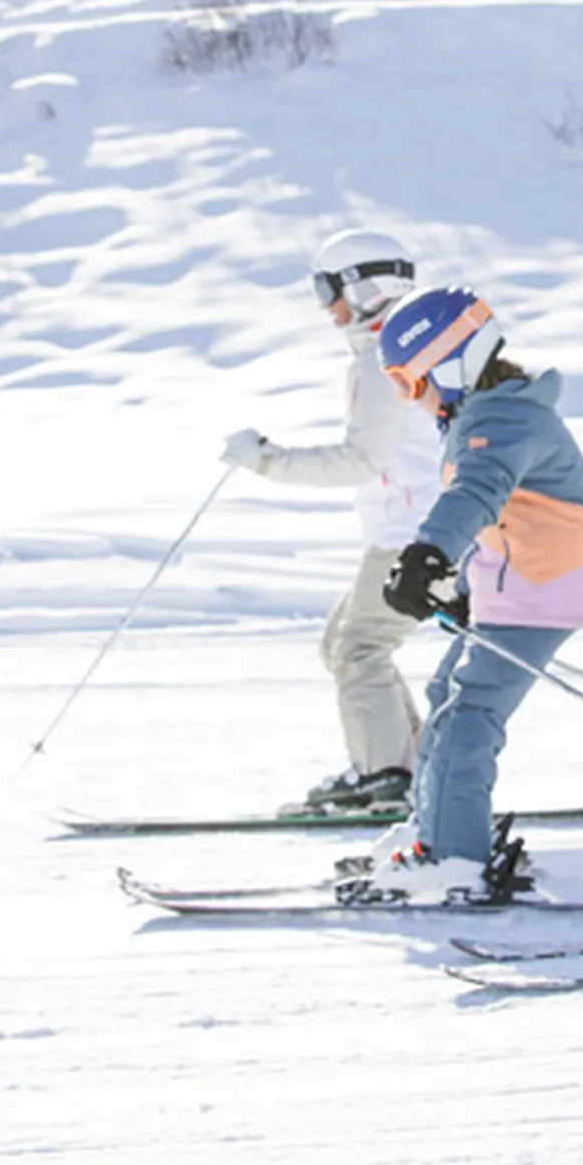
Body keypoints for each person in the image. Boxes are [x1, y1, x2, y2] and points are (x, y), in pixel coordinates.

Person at [340, 285, 583, 903]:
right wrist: (461, 586)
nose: (414, 400)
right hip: (517, 579)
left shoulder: (502, 419)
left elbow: (474, 495)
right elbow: (505, 515)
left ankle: (456, 859)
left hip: (543, 584)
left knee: (469, 714)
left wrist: (428, 555)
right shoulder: (490, 413)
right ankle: (432, 832)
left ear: (449, 362)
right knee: (446, 696)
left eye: (413, 383)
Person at [217, 228, 429, 818]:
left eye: (328, 288)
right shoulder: (408, 346)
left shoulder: (388, 356)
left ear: (365, 286)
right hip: (407, 531)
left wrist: (265, 459)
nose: (325, 307)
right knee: (343, 644)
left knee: (359, 648)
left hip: (413, 536)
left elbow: (361, 460)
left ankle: (388, 776)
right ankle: (409, 768)